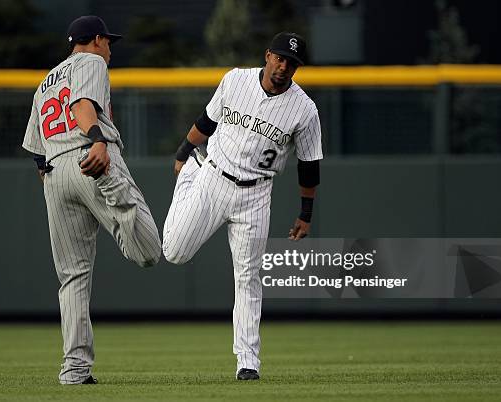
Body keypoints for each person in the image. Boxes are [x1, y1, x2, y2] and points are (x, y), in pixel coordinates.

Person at [162, 32, 323, 380]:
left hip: (256, 196)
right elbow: (207, 122)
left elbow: (309, 166)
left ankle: (247, 362)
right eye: (280, 58)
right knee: (174, 252)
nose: (284, 66)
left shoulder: (304, 110)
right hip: (213, 179)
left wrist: (305, 214)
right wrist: (182, 153)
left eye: (292, 62)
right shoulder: (235, 80)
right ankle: (192, 170)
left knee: (248, 278)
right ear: (267, 56)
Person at [22, 15, 162, 385]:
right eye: (108, 41)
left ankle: (74, 370)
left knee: (72, 278)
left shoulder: (44, 83)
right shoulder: (92, 62)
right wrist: (98, 140)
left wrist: (59, 184)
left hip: (54, 173)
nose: (110, 48)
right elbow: (83, 106)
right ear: (96, 39)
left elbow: (36, 152)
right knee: (149, 251)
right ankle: (119, 203)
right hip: (91, 156)